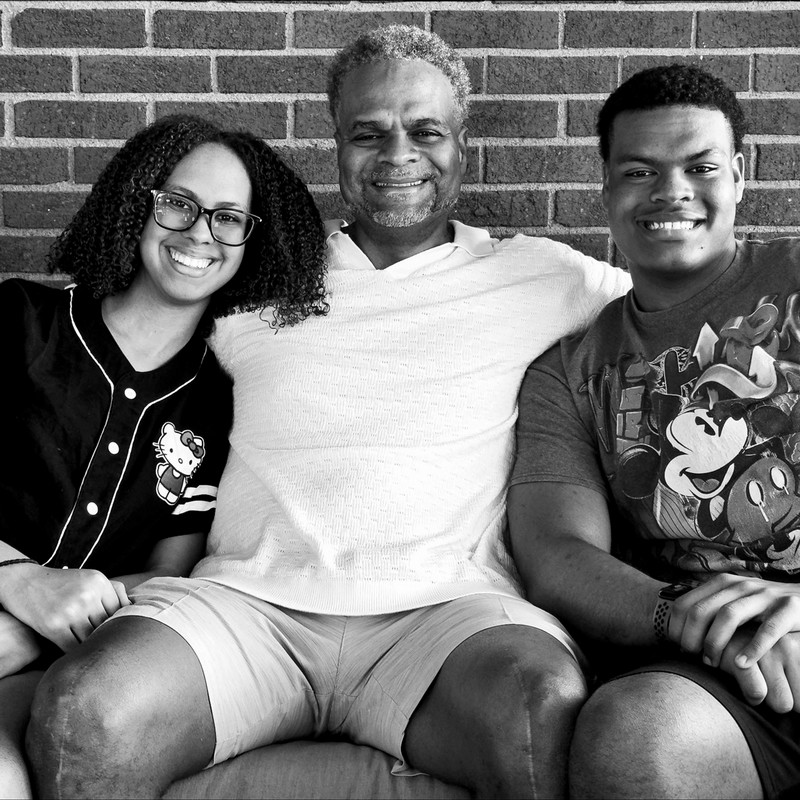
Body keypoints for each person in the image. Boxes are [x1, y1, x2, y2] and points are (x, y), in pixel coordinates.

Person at [26, 25, 630, 799]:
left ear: (461, 144)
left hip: (447, 618)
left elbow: (677, 312)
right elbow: (111, 355)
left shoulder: (539, 276)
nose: (397, 155)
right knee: (86, 712)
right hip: (246, 606)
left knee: (540, 710)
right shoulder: (260, 278)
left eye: (426, 131)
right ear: (337, 144)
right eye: (367, 133)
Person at [0, 114, 327, 798]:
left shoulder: (220, 401)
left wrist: (37, 630)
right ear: (136, 202)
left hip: (58, 664)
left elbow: (168, 577)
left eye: (229, 218)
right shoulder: (19, 321)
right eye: (179, 202)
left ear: (252, 244)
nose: (200, 233)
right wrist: (18, 582)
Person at [508, 63, 800, 799]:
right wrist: (684, 617)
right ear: (605, 189)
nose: (671, 192)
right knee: (635, 733)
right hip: (719, 673)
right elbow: (557, 553)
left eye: (699, 166)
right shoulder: (568, 371)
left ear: (737, 176)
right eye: (639, 170)